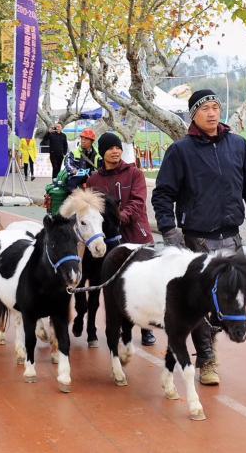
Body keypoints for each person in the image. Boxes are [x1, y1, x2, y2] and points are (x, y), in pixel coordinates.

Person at [151, 89, 246, 386]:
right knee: (200, 303)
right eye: (205, 109)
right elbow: (163, 194)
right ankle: (206, 359)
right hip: (196, 241)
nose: (212, 113)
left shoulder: (238, 146)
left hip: (230, 237)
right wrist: (169, 228)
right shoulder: (180, 151)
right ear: (194, 115)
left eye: (216, 107)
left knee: (231, 298)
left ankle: (214, 342)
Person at [86, 132, 157, 346]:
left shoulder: (134, 173)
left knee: (144, 285)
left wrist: (119, 218)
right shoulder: (93, 180)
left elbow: (138, 202)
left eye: (117, 147)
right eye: (110, 148)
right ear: (102, 152)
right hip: (107, 242)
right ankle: (112, 328)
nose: (115, 151)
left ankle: (145, 329)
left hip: (136, 236)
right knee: (111, 286)